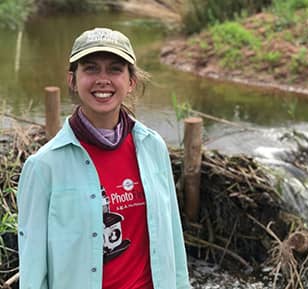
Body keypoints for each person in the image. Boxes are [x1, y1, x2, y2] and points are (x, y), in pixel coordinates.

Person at [17, 27, 190, 289]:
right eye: (90, 68)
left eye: (115, 69)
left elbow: (173, 240)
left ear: (131, 81)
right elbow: (32, 269)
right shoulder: (43, 167)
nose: (103, 79)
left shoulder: (152, 147)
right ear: (72, 80)